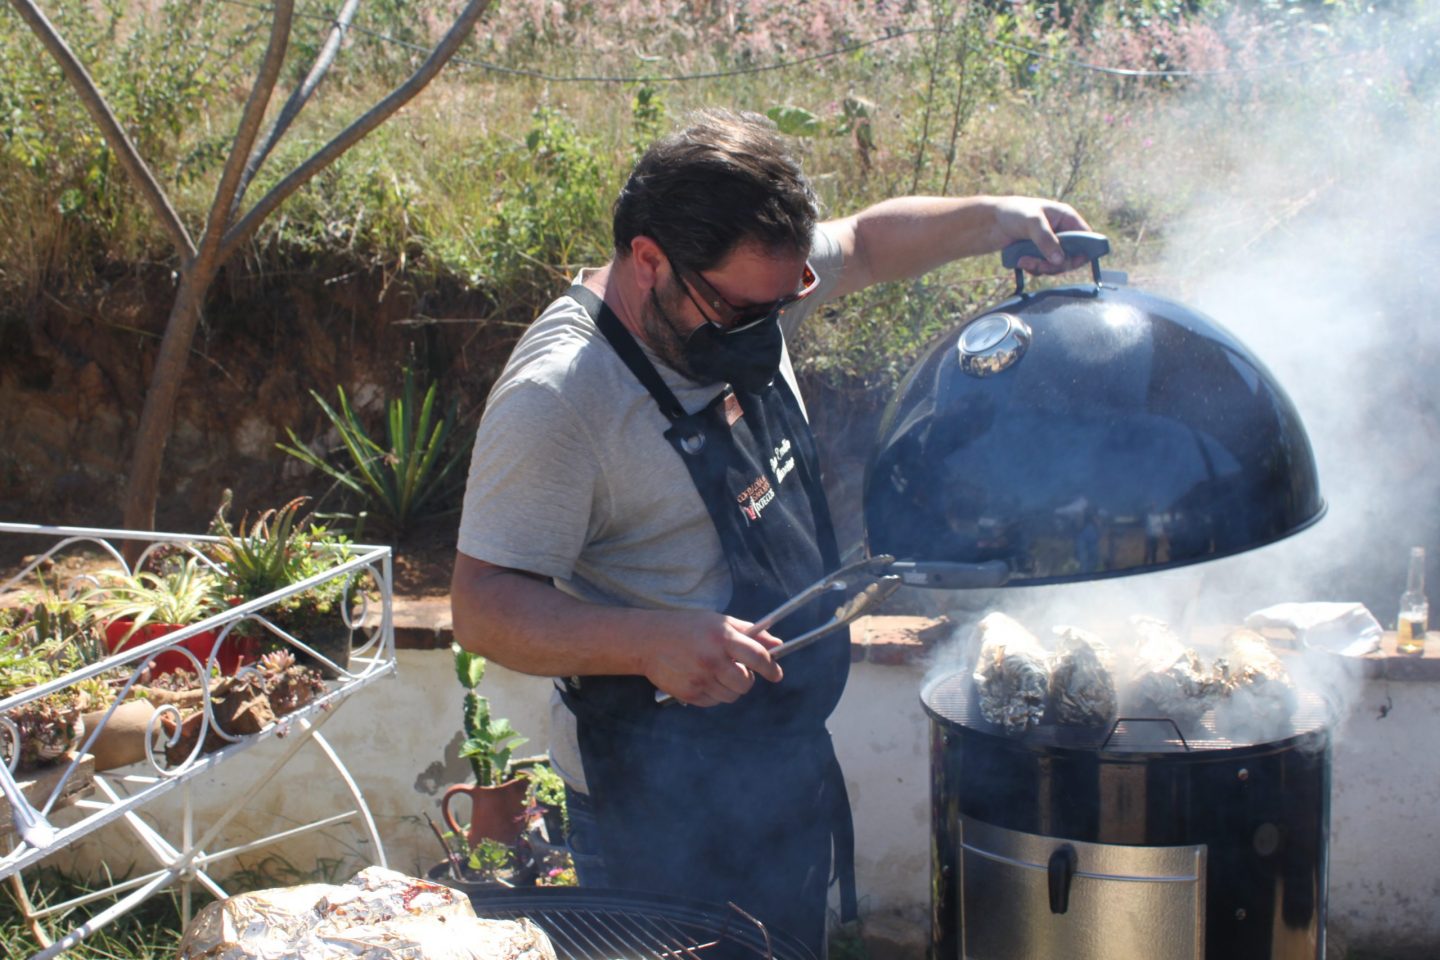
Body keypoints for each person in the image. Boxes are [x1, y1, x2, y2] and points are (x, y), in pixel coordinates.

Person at [451, 108, 1091, 956]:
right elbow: (483, 606)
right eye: (743, 312)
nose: (768, 329)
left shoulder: (742, 278)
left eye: (782, 303)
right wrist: (649, 640)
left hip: (777, 766)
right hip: (650, 802)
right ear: (650, 261)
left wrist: (999, 215)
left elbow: (863, 243)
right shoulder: (560, 399)